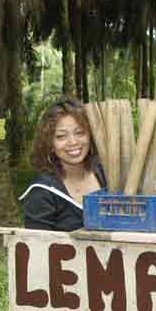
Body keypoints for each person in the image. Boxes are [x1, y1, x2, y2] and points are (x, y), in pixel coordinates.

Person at [19, 94, 106, 231]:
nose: (73, 142)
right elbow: (36, 247)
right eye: (61, 136)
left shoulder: (105, 173)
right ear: (50, 143)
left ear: (90, 135)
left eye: (80, 132)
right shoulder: (42, 191)